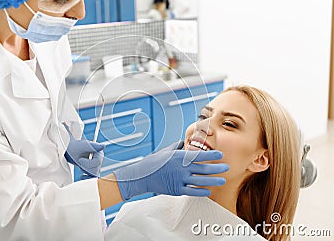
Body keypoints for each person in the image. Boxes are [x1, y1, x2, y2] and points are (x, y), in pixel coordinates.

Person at [0, 0, 230, 240]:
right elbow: (16, 222)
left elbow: (47, 107)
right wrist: (132, 180)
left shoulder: (40, 28)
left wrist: (61, 141)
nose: (79, 12)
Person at [105, 85, 301, 241]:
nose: (202, 126)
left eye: (229, 124)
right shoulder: (139, 213)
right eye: (203, 117)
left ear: (260, 159)